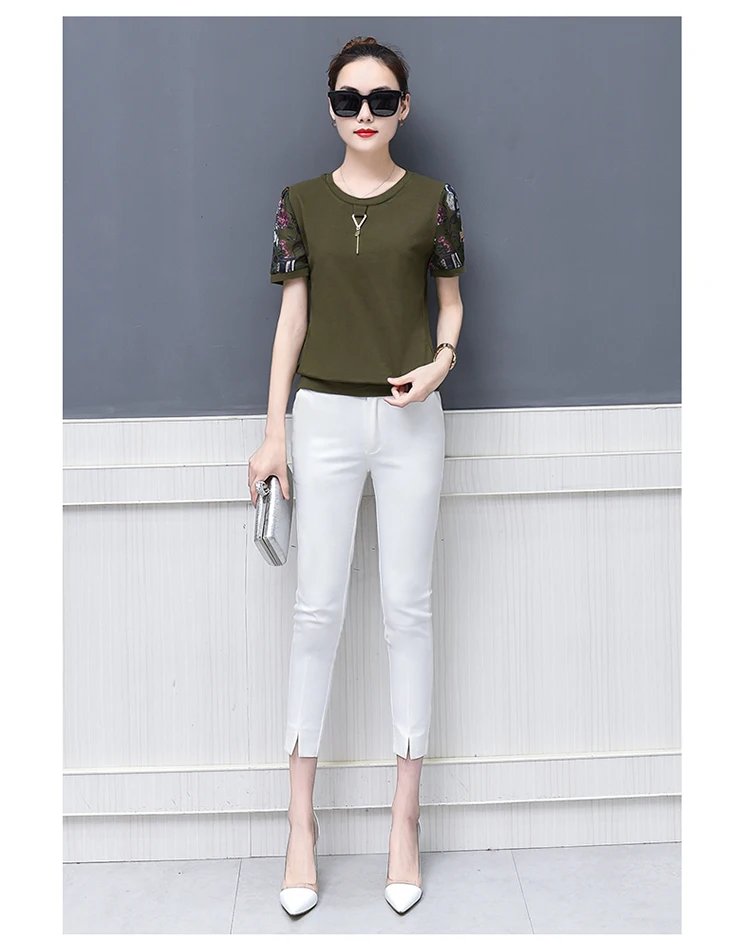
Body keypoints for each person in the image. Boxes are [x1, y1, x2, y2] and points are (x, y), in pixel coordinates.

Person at [247, 34, 465, 917]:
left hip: (412, 418)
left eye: (380, 99)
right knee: (316, 611)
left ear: (403, 107)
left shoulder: (433, 200)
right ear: (331, 108)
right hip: (324, 418)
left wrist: (440, 366)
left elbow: (450, 304)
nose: (364, 113)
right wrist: (274, 434)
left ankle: (403, 821)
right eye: (349, 99)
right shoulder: (299, 202)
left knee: (409, 610)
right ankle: (300, 825)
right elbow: (291, 319)